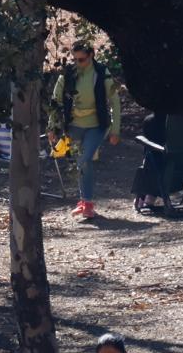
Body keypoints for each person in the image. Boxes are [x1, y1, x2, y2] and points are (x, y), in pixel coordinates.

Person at [48, 40, 122, 219]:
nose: (78, 63)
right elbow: (55, 100)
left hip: (97, 126)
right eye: (75, 59)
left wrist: (115, 129)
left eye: (82, 59)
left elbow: (115, 101)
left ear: (91, 56)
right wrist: (52, 126)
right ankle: (86, 203)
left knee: (83, 158)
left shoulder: (101, 72)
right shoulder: (67, 74)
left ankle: (85, 202)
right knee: (85, 164)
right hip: (73, 126)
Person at [131, 112, 167, 211]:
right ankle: (150, 196)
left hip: (162, 169)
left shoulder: (150, 121)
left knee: (150, 150)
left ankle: (145, 194)